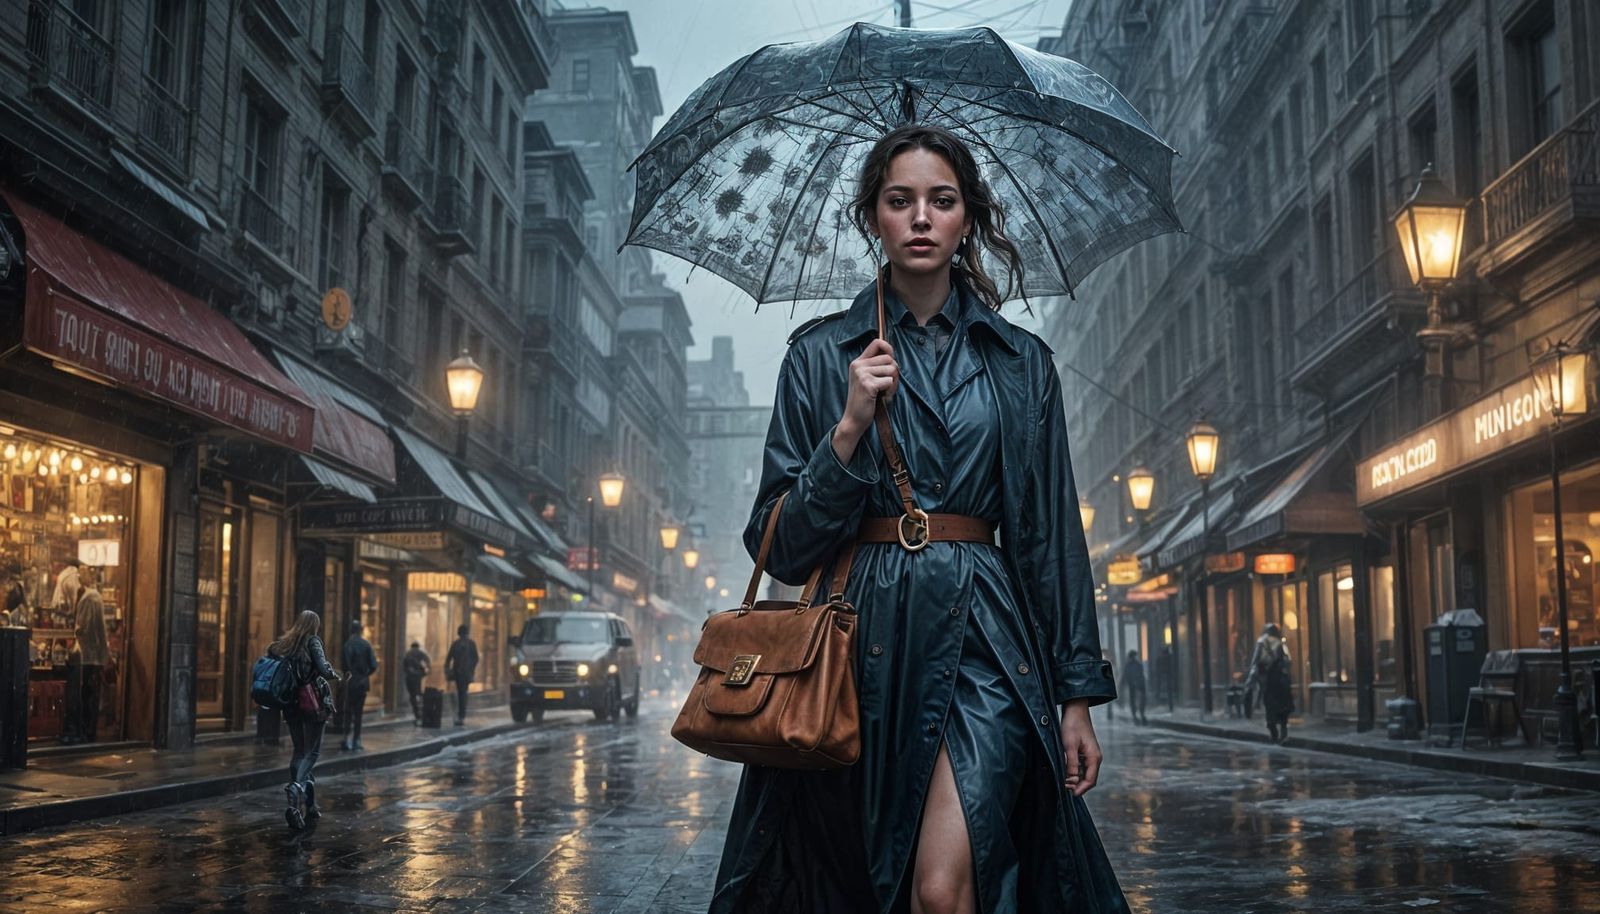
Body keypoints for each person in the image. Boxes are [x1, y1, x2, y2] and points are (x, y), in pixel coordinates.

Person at [708, 125, 1124, 914]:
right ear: (874, 217)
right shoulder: (818, 356)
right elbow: (780, 546)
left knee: (941, 887)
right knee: (870, 885)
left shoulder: (1021, 363)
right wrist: (848, 429)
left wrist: (1075, 697)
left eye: (943, 200)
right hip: (857, 645)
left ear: (968, 216)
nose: (922, 218)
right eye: (901, 201)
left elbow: (1050, 540)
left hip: (984, 638)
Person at [269, 610, 341, 829]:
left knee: (299, 751)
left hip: (291, 704)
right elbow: (323, 669)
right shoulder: (313, 641)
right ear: (314, 625)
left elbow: (272, 653)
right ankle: (295, 788)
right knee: (313, 752)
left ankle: (309, 805)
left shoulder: (287, 643)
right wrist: (332, 672)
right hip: (312, 702)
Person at [60, 566, 108, 744]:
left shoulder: (89, 598)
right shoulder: (94, 597)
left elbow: (83, 628)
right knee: (90, 696)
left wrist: (74, 634)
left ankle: (85, 732)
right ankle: (88, 732)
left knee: (86, 696)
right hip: (93, 656)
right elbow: (101, 630)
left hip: (87, 656)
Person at [1244, 622, 1294, 744]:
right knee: (1282, 705)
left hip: (1266, 680)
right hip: (1279, 680)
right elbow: (1288, 661)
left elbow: (1255, 664)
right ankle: (1283, 731)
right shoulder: (1280, 643)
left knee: (1270, 707)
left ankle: (1273, 734)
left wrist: (1249, 683)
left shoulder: (1261, 643)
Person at [340, 619, 378, 751]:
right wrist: (365, 674)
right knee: (358, 713)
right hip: (362, 683)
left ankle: (346, 738)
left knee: (348, 711)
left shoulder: (348, 644)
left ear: (351, 630)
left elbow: (345, 665)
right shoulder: (366, 645)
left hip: (351, 682)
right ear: (361, 630)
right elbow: (374, 665)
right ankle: (356, 739)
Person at [444, 625, 478, 726]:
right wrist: (471, 668)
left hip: (458, 672)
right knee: (463, 693)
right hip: (466, 673)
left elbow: (448, 659)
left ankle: (460, 714)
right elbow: (476, 658)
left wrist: (448, 670)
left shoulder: (456, 644)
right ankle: (461, 714)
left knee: (461, 693)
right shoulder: (471, 643)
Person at [402, 641, 431, 724]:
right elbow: (427, 665)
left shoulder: (408, 654)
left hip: (410, 678)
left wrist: (410, 672)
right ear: (418, 647)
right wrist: (423, 674)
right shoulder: (421, 654)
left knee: (413, 696)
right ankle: (421, 713)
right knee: (419, 695)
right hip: (419, 678)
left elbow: (404, 667)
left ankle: (417, 713)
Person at [1123, 649, 1148, 725]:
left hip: (1137, 686)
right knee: (1137, 701)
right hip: (1136, 686)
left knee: (1137, 701)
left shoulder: (1132, 665)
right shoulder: (1135, 665)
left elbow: (1127, 676)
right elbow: (1127, 676)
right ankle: (1138, 716)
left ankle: (1138, 715)